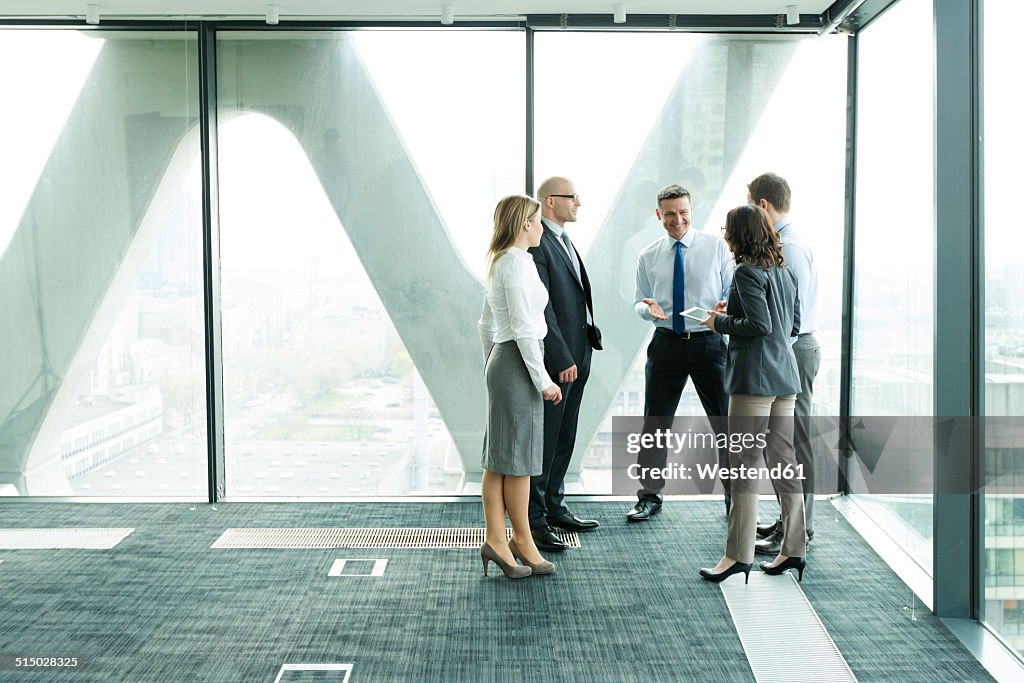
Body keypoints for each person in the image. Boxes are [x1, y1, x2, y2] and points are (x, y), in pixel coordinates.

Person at [698, 204, 807, 583]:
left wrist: (718, 321)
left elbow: (757, 325)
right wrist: (739, 311)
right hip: (784, 378)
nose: (725, 235)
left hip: (754, 381)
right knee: (784, 463)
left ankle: (737, 555)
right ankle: (794, 549)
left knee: (743, 466)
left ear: (739, 234)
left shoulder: (746, 270)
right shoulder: (784, 271)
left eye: (728, 229)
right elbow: (789, 325)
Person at [627, 183, 733, 522]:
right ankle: (649, 496)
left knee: (726, 424)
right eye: (670, 214)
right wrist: (648, 310)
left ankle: (736, 500)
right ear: (659, 215)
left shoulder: (717, 248)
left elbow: (733, 292)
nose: (677, 220)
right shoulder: (648, 255)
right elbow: (639, 301)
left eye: (683, 212)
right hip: (666, 345)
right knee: (655, 423)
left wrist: (724, 309)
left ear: (692, 211)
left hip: (709, 343)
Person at [478, 194, 562, 579]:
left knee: (501, 459)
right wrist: (543, 380)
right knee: (518, 462)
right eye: (538, 219)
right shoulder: (513, 265)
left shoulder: (509, 262)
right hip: (518, 361)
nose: (542, 225)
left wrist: (491, 365)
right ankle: (518, 540)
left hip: (506, 360)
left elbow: (486, 325)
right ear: (525, 223)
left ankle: (502, 540)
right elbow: (526, 329)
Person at [745, 173, 821, 556]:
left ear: (762, 206)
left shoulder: (787, 247)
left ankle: (799, 528)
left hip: (792, 350)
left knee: (794, 441)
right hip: (791, 349)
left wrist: (774, 354)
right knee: (786, 442)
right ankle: (791, 522)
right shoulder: (789, 244)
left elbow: (792, 314)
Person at [527, 177, 603, 553]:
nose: (578, 202)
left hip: (580, 352)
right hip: (561, 359)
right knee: (546, 440)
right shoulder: (539, 242)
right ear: (550, 202)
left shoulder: (563, 240)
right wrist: (559, 356)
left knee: (565, 435)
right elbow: (544, 306)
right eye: (572, 197)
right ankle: (535, 520)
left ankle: (555, 505)